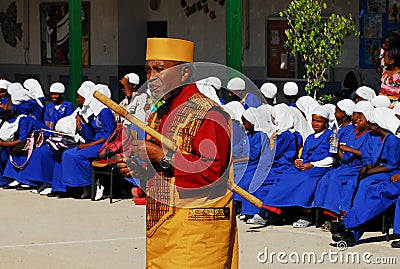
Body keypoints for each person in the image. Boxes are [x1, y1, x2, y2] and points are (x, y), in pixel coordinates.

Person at [116, 37, 238, 268]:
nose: (151, 78)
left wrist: (160, 156)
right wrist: (137, 169)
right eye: (148, 70)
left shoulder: (209, 114)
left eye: (160, 69)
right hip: (163, 226)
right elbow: (162, 172)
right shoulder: (159, 113)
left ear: (183, 73)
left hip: (196, 232)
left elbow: (211, 173)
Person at [260, 106, 333, 228]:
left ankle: (306, 214)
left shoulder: (330, 136)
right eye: (314, 120)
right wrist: (299, 161)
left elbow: (332, 159)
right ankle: (274, 210)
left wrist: (312, 164)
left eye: (319, 121)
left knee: (306, 180)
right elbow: (304, 155)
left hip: (320, 167)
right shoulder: (310, 137)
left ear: (326, 122)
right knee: (285, 177)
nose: (315, 124)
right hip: (305, 166)